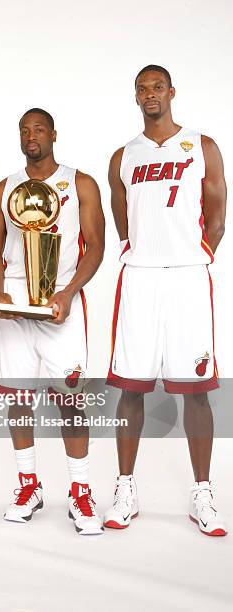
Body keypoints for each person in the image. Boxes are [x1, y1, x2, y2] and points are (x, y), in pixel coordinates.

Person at [104, 65, 227, 536]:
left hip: (188, 278)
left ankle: (203, 493)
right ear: (134, 96)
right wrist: (147, 251)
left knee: (196, 390)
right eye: (141, 88)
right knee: (131, 386)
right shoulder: (123, 156)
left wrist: (200, 253)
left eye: (157, 87)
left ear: (171, 92)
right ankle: (125, 487)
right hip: (140, 278)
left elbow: (216, 214)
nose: (149, 94)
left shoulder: (202, 145)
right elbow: (123, 220)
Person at [0, 108, 105, 535]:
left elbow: (96, 248)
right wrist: (0, 296)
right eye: (24, 130)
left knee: (70, 398)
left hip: (60, 300)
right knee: (18, 397)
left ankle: (81, 491)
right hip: (17, 300)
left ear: (54, 134)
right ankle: (28, 485)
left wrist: (68, 293)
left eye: (38, 129)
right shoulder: (3, 188)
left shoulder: (81, 183)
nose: (31, 136)